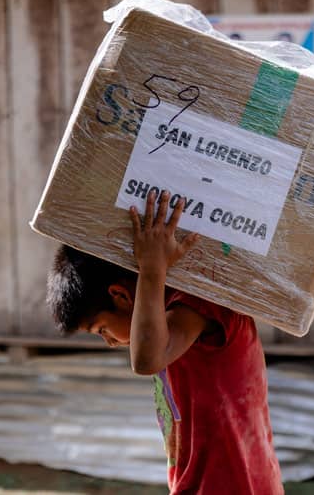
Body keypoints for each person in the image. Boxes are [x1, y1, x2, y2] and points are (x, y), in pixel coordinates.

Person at [46, 189, 283, 494]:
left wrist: (152, 267)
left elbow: (146, 361)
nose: (109, 342)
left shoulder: (197, 304)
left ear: (120, 295)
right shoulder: (169, 318)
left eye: (102, 329)